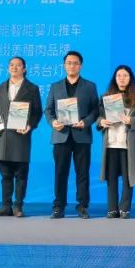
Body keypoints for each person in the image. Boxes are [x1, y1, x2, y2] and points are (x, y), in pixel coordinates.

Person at [44, 51, 99, 219]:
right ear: (64, 65)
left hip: (82, 134)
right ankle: (58, 206)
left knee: (82, 173)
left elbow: (95, 110)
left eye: (75, 63)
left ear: (80, 66)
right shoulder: (55, 86)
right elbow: (48, 110)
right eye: (68, 63)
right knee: (60, 172)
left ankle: (82, 206)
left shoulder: (90, 86)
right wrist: (53, 122)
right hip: (61, 135)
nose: (72, 66)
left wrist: (86, 122)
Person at [0, 57, 42, 217]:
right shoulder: (0, 87)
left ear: (24, 69)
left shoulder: (32, 88)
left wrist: (30, 125)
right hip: (3, 136)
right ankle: (6, 206)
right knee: (5, 175)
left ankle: (18, 206)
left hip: (20, 136)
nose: (14, 67)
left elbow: (37, 112)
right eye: (11, 65)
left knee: (20, 175)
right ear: (8, 68)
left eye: (18, 65)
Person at [96, 65, 135, 219]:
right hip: (111, 143)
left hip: (128, 144)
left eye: (125, 76)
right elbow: (98, 116)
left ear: (130, 78)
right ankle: (112, 208)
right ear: (115, 79)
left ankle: (124, 208)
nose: (122, 78)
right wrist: (101, 121)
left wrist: (131, 121)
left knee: (128, 178)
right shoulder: (106, 97)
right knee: (111, 178)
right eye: (119, 76)